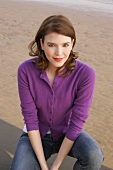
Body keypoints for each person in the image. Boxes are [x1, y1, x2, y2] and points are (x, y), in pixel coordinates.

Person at [10, 15, 104, 170]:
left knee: (93, 156)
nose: (59, 53)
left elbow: (77, 121)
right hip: (37, 134)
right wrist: (43, 165)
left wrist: (55, 166)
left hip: (67, 133)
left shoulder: (86, 74)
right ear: (41, 43)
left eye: (65, 45)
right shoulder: (25, 70)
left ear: (72, 43)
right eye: (51, 45)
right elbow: (30, 119)